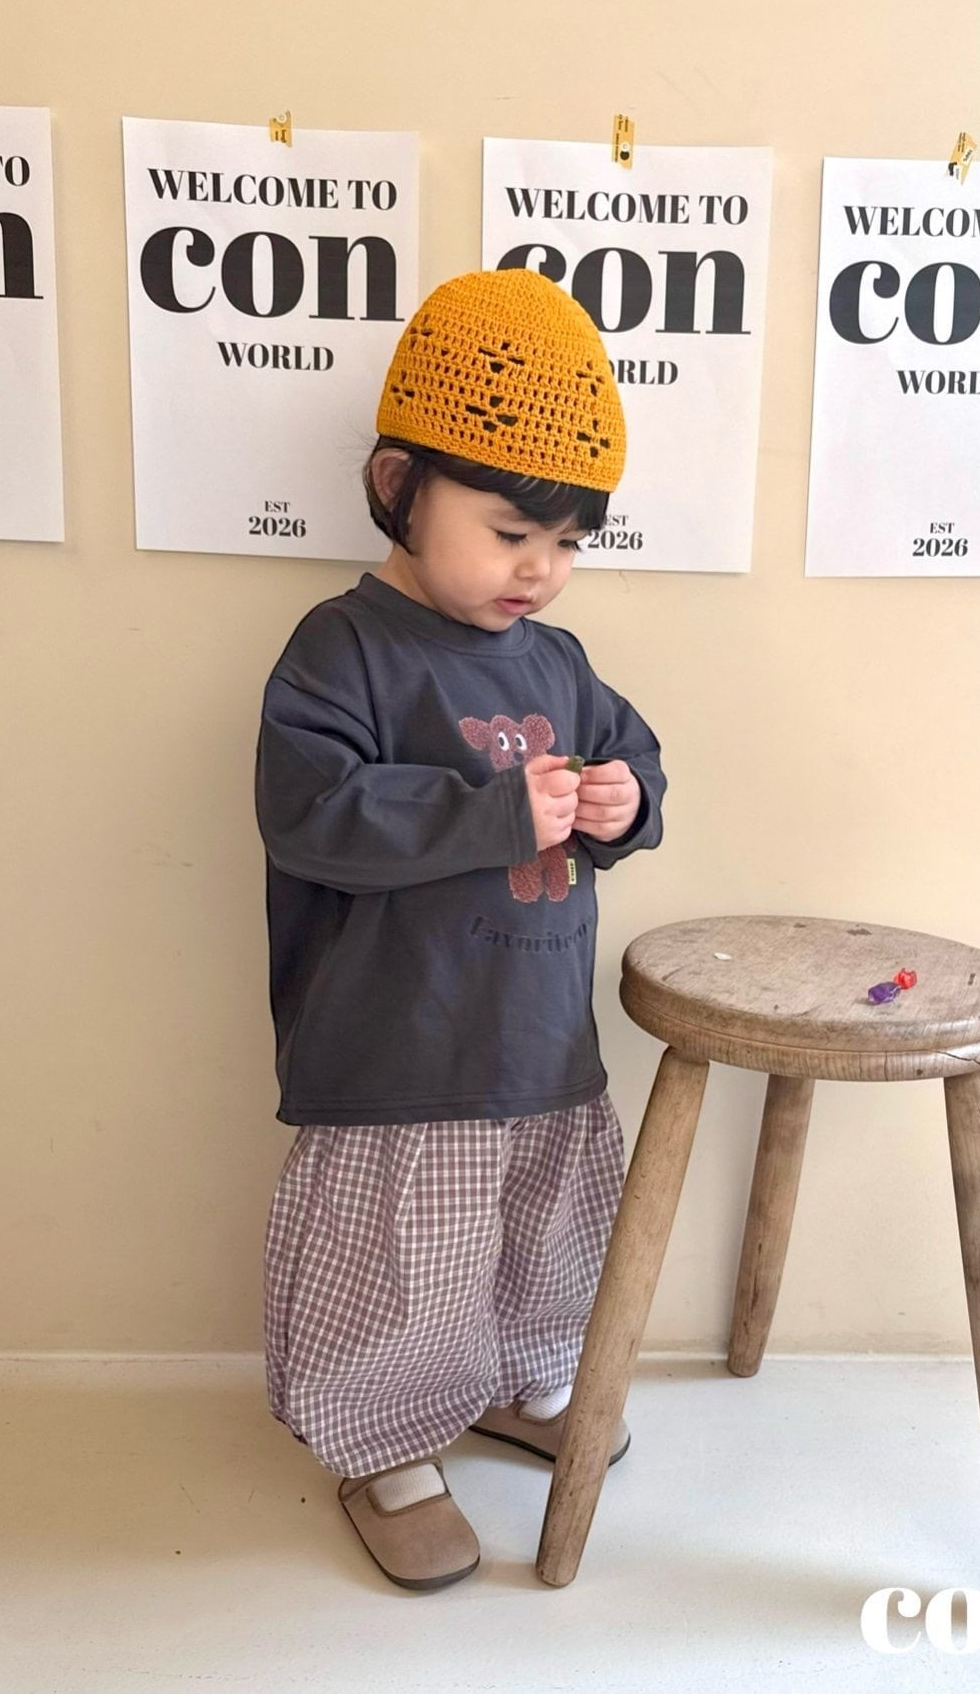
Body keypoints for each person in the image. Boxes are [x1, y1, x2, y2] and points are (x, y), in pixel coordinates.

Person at [254, 267, 666, 1591]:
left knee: (544, 1233)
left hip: (537, 1037)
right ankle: (386, 1446)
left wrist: (623, 801)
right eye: (509, 531)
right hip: (400, 1047)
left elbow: (632, 756)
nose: (541, 569)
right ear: (400, 488)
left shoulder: (558, 661)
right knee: (402, 1261)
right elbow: (310, 813)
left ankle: (515, 1384)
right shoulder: (344, 649)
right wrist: (493, 813)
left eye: (568, 540)